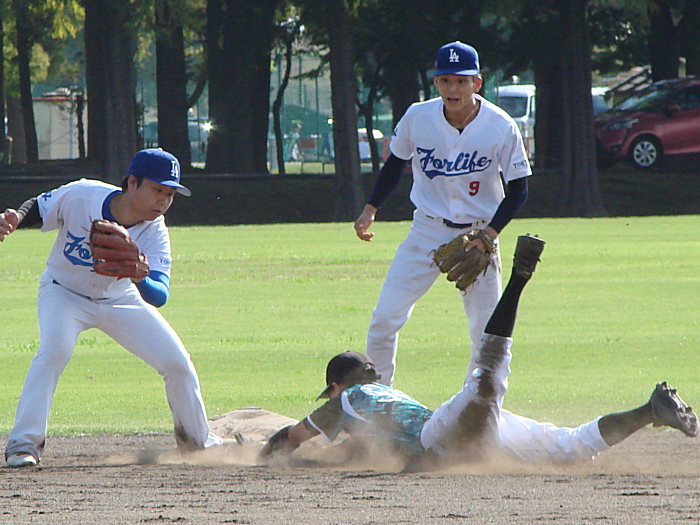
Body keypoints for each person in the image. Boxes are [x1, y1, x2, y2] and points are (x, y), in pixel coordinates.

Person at [260, 235, 698, 469]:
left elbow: (292, 438)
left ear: (336, 385)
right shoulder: (384, 396)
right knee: (572, 445)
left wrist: (259, 455)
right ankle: (649, 411)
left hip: (444, 434)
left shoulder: (346, 402)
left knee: (488, 376)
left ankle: (519, 278)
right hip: (469, 431)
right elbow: (367, 448)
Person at [0, 148, 223, 468]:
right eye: (157, 190)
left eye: (170, 194)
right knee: (53, 352)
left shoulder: (155, 230)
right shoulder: (82, 194)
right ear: (132, 182)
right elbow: (39, 206)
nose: (163, 201)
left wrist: (140, 278)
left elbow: (159, 295)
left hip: (121, 299)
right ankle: (23, 444)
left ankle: (198, 444)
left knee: (177, 363)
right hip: (64, 294)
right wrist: (15, 219)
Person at [354, 41, 532, 386]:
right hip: (426, 230)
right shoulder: (418, 117)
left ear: (477, 83)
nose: (453, 89)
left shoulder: (500, 125)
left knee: (487, 333)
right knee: (384, 319)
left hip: (479, 234)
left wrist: (489, 235)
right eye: (446, 80)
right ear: (436, 82)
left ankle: (480, 405)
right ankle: (377, 398)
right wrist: (370, 208)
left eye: (462, 81)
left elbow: (519, 190)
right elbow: (395, 164)